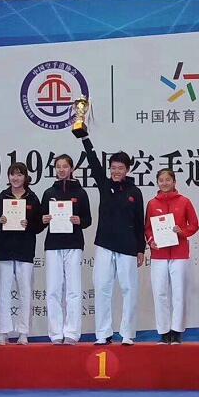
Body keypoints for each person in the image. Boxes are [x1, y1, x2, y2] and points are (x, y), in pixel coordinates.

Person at [79, 136, 145, 345]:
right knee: (102, 288)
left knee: (129, 289)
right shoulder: (104, 185)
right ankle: (103, 333)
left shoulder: (135, 192)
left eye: (120, 168)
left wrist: (141, 249)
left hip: (128, 247)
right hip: (105, 245)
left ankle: (127, 334)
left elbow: (139, 221)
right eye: (113, 168)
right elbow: (93, 162)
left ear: (127, 170)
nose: (116, 171)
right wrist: (85, 138)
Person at [0, 163, 43, 345]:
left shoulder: (32, 198)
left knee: (25, 292)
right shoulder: (2, 197)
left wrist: (29, 224)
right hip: (4, 251)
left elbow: (40, 225)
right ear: (8, 177)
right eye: (12, 174)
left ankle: (23, 332)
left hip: (25, 251)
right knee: (3, 293)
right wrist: (1, 221)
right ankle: (3, 332)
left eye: (19, 175)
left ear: (25, 177)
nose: (15, 178)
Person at [40, 154, 92, 345]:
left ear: (71, 169)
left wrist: (79, 221)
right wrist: (44, 219)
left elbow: (88, 220)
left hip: (74, 244)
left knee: (73, 290)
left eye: (65, 166)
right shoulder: (48, 193)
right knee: (53, 290)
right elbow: (40, 220)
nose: (61, 170)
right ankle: (55, 333)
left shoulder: (81, 193)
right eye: (58, 167)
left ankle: (72, 332)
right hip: (53, 245)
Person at [145, 169, 199, 344]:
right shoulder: (152, 204)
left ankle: (176, 331)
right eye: (161, 180)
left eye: (168, 179)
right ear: (157, 182)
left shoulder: (184, 201)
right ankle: (163, 331)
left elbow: (194, 225)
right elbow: (148, 228)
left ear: (174, 182)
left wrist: (182, 232)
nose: (165, 183)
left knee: (178, 292)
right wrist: (151, 240)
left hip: (179, 253)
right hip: (159, 254)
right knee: (160, 292)